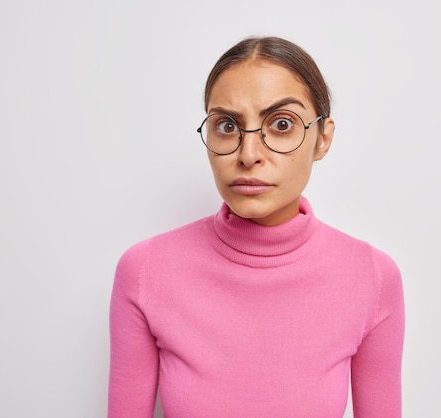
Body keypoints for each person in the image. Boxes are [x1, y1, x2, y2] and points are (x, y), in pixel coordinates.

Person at [108, 36, 405, 417]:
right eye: (227, 125)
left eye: (282, 124)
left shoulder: (372, 276)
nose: (249, 155)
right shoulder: (145, 271)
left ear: (322, 138)